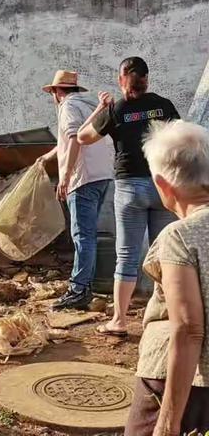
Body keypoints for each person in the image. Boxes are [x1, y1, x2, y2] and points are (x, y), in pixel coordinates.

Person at [77, 57, 179, 336]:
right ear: (147, 78)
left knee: (127, 256)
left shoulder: (116, 109)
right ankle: (169, 319)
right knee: (166, 256)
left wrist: (101, 107)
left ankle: (119, 321)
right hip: (162, 187)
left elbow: (83, 137)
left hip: (129, 188)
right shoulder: (164, 105)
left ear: (121, 79)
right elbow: (181, 141)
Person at [124, 120, 209, 436]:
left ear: (161, 184)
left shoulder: (180, 236)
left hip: (181, 381)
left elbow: (188, 329)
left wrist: (168, 422)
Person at [39, 70, 113, 310]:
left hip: (83, 178)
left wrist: (66, 176)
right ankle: (85, 286)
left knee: (82, 236)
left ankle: (79, 289)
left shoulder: (68, 106)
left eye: (53, 92)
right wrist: (49, 156)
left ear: (58, 92)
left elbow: (74, 140)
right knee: (88, 234)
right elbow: (75, 136)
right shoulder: (89, 104)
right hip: (102, 175)